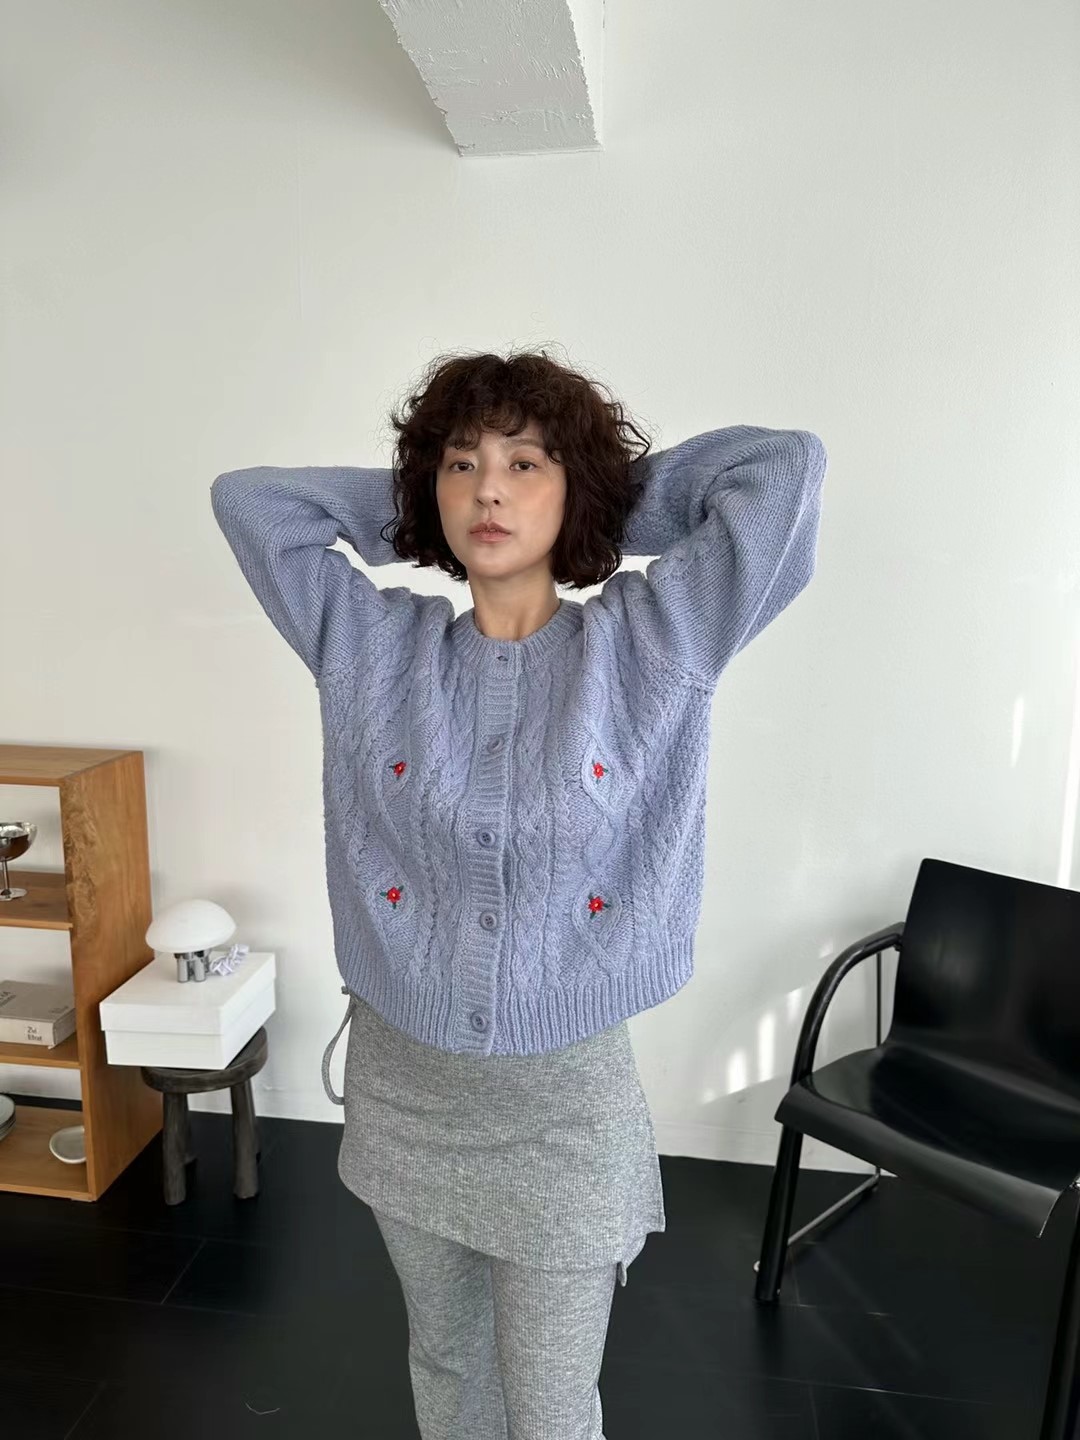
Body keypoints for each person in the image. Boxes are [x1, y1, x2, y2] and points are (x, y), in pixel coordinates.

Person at [210, 345, 827, 1439]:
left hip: (562, 1114)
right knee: (448, 1367)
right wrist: (423, 504)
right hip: (405, 1091)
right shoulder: (373, 649)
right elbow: (250, 503)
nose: (488, 491)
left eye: (524, 464)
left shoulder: (651, 643)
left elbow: (785, 470)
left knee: (550, 1406)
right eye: (463, 465)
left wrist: (597, 496)